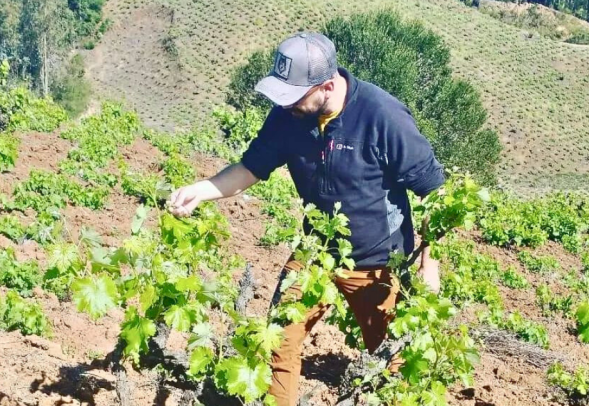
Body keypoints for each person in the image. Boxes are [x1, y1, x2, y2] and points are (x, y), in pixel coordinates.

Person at [168, 32, 445, 406]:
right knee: (279, 337)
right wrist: (202, 189)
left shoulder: (384, 117)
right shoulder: (289, 116)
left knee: (393, 361)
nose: (286, 106)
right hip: (316, 251)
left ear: (328, 86)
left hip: (380, 262)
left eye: (294, 96)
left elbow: (434, 192)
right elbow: (251, 167)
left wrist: (430, 266)